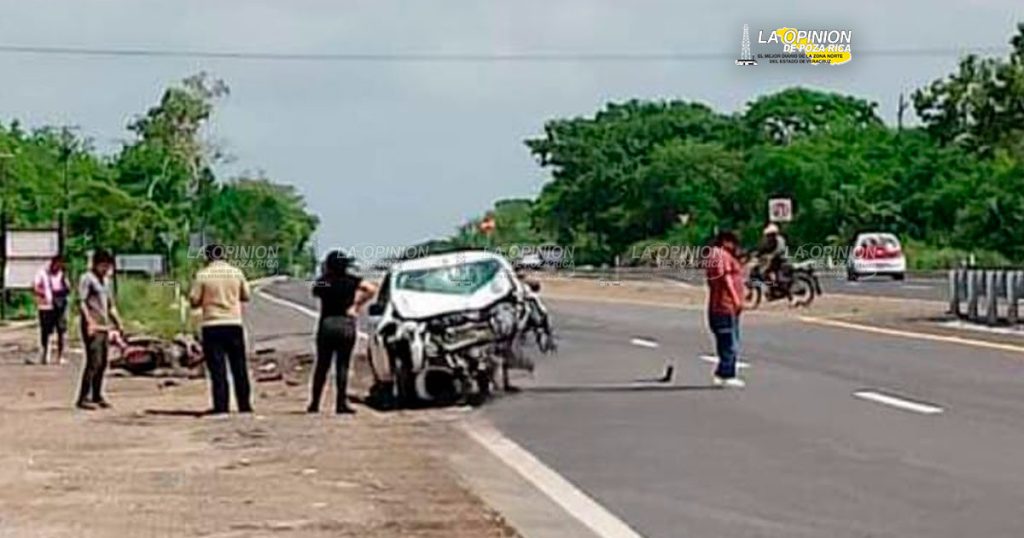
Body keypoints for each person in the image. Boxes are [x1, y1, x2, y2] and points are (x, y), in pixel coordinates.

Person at [307, 250, 377, 415]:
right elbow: (371, 289)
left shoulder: (324, 282)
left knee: (322, 366)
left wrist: (325, 274)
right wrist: (356, 306)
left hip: (327, 324)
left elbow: (315, 290)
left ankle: (315, 403)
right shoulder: (351, 281)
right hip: (346, 324)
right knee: (343, 366)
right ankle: (340, 403)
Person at [190, 244, 252, 415]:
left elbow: (194, 300)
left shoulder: (203, 275)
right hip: (233, 323)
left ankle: (221, 405)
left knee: (218, 369)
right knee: (239, 367)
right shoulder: (236, 272)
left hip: (212, 324)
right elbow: (246, 295)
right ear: (224, 256)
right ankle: (244, 405)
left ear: (208, 257)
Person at [77, 249, 123, 409]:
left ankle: (97, 394)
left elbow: (110, 305)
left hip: (104, 326)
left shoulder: (106, 281)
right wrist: (89, 322)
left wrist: (118, 322)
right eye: (103, 265)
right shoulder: (87, 279)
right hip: (93, 326)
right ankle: (84, 397)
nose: (105, 269)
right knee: (93, 361)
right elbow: (82, 302)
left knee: (103, 362)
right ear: (96, 264)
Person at [705, 230, 746, 388]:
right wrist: (735, 298)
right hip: (724, 306)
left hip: (722, 306)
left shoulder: (717, 255)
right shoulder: (720, 255)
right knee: (729, 342)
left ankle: (724, 372)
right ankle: (726, 374)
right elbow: (725, 278)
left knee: (727, 341)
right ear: (726, 242)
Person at [32, 255, 70, 365]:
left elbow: (67, 288)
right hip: (46, 307)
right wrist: (44, 294)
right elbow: (35, 286)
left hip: (60, 306)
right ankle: (45, 355)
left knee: (61, 330)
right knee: (46, 331)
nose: (58, 267)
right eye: (57, 265)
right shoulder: (42, 273)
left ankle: (60, 356)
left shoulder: (62, 274)